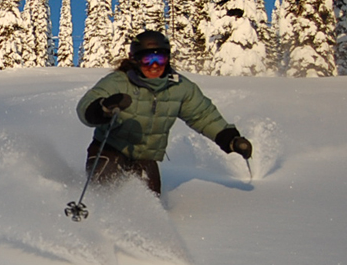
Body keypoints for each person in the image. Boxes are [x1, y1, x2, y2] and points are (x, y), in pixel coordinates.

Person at [76, 30, 252, 195]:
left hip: (145, 157)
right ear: (135, 60)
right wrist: (102, 108)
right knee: (103, 192)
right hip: (110, 150)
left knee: (149, 203)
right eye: (147, 60)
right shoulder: (118, 81)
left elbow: (203, 115)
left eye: (160, 59)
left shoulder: (179, 87)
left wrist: (230, 138)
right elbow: (85, 107)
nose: (154, 66)